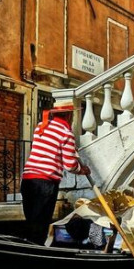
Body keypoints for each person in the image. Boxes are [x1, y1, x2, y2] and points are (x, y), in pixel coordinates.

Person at [20, 100, 90, 244]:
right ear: (69, 115)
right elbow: (70, 165)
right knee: (40, 226)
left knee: (31, 222)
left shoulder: (41, 126)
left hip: (28, 179)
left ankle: (29, 250)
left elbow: (47, 150)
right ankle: (35, 252)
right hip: (45, 183)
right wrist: (82, 170)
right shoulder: (66, 133)